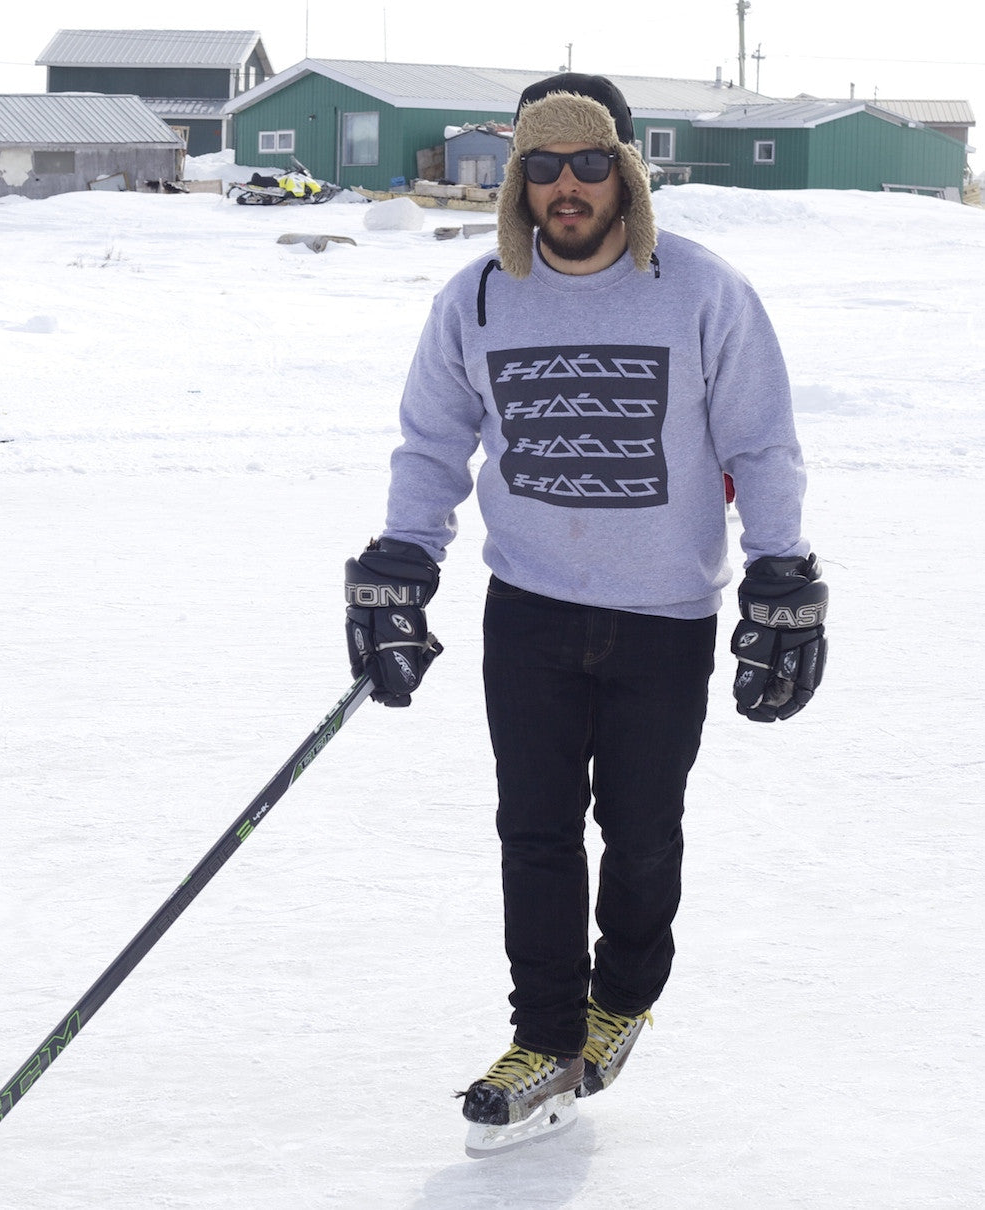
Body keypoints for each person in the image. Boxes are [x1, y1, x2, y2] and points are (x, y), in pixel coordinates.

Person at [343, 73, 828, 1144]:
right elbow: (433, 445)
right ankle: (545, 1034)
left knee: (642, 833)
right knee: (535, 831)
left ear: (624, 174)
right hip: (530, 610)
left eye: (590, 163)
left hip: (663, 616)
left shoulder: (698, 290)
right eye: (544, 165)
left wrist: (783, 572)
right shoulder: (476, 297)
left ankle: (621, 1001)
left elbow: (760, 443)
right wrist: (400, 561)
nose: (568, 186)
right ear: (519, 180)